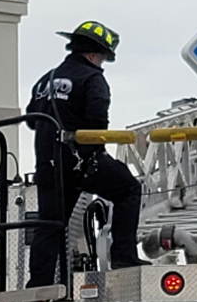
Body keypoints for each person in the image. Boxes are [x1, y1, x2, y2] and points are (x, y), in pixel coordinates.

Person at [25, 20, 149, 288]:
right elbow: (97, 123)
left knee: (50, 225)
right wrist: (92, 156)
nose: (102, 63)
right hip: (80, 163)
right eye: (102, 58)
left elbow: (32, 120)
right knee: (128, 188)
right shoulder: (93, 78)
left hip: (47, 166)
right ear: (94, 54)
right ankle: (124, 258)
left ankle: (38, 286)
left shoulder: (46, 79)